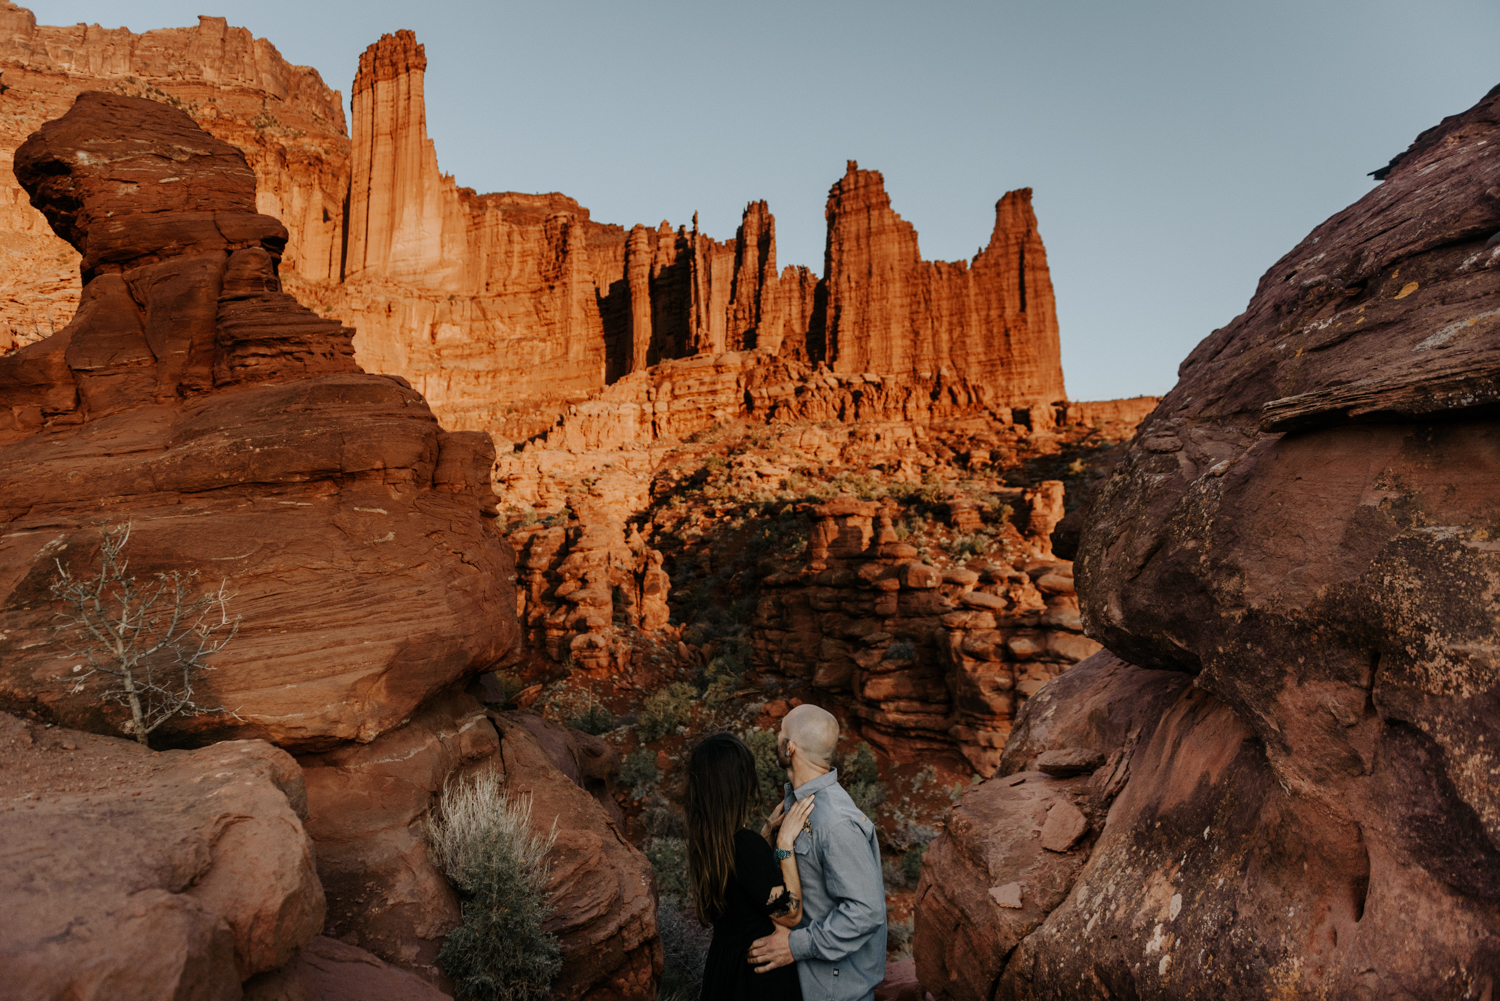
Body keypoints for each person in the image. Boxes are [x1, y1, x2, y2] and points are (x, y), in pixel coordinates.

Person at [746, 705, 887, 1001]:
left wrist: (795, 946)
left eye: (781, 733)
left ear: (791, 747)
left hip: (836, 993)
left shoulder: (835, 822)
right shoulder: (801, 807)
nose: (777, 738)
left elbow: (865, 912)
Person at [686, 732, 816, 1001]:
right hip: (755, 982)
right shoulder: (745, 847)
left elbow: (742, 876)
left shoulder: (706, 839)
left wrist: (765, 832)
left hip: (723, 971)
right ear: (738, 784)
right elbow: (790, 913)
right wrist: (783, 844)